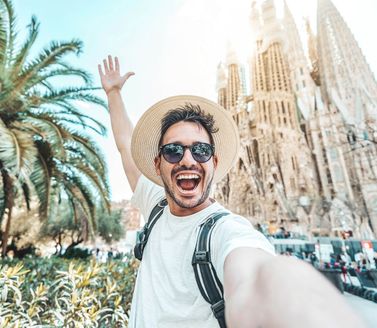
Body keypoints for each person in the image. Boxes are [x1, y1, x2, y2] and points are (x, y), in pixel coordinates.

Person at [98, 55, 365, 328]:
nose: (187, 160)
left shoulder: (226, 231)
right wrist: (114, 94)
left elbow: (256, 278)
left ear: (214, 162)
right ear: (158, 164)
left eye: (200, 150)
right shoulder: (155, 205)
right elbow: (125, 144)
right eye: (173, 150)